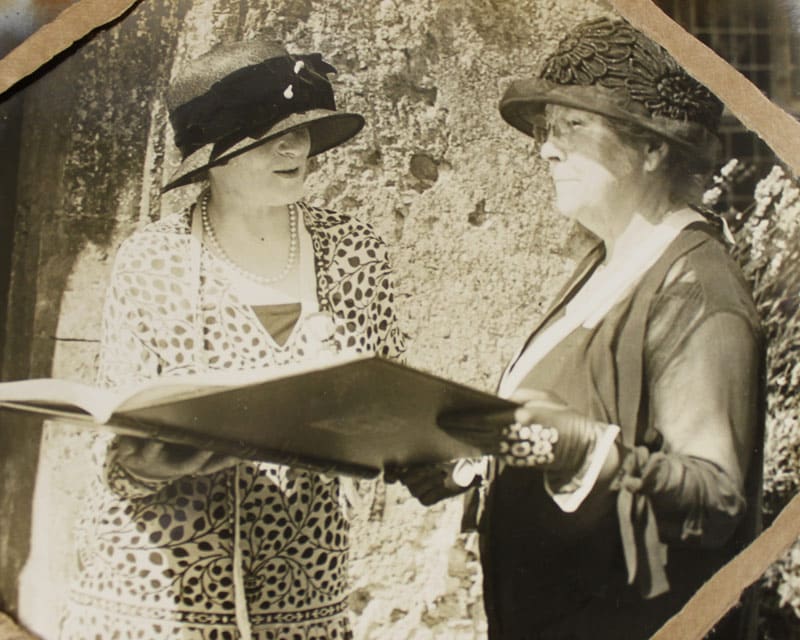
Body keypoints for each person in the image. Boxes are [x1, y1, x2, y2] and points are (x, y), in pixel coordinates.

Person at [395, 17, 764, 640]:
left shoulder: (694, 290)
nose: (546, 146)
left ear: (652, 147)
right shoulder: (606, 261)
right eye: (546, 127)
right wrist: (475, 459)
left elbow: (715, 501)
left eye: (573, 126)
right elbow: (578, 434)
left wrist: (576, 448)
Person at [59, 37, 405, 640]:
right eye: (270, 135)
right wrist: (148, 462)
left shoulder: (356, 252)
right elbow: (118, 447)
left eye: (303, 129)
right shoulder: (153, 261)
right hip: (158, 589)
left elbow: (390, 407)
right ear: (212, 159)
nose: (297, 147)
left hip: (302, 587)